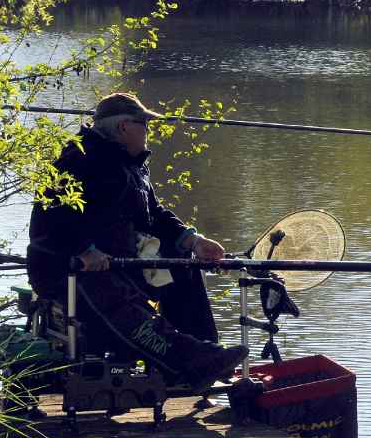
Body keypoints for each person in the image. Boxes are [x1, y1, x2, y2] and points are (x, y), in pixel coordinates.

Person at [26, 92, 246, 390]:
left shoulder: (133, 165)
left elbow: (152, 215)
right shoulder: (78, 159)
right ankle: (187, 360)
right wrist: (84, 251)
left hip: (120, 262)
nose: (148, 131)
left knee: (181, 265)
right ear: (124, 127)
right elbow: (47, 222)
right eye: (144, 124)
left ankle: (207, 353)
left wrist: (192, 241)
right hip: (67, 268)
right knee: (112, 293)